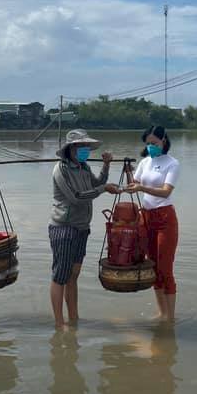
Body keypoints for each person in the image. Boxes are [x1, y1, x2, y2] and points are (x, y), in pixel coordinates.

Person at [50, 128, 119, 328]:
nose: (85, 150)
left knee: (74, 275)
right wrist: (103, 189)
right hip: (64, 227)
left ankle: (74, 318)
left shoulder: (84, 167)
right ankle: (59, 324)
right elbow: (77, 197)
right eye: (81, 146)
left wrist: (106, 166)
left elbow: (97, 183)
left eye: (87, 147)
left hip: (82, 227)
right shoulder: (61, 169)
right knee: (60, 276)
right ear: (71, 148)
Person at [125, 125, 180, 322]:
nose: (150, 147)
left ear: (163, 141)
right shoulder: (145, 162)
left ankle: (170, 317)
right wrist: (129, 174)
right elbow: (134, 185)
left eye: (154, 143)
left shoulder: (172, 163)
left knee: (165, 269)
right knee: (153, 268)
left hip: (165, 218)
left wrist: (142, 188)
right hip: (146, 217)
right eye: (147, 144)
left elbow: (166, 191)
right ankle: (161, 314)